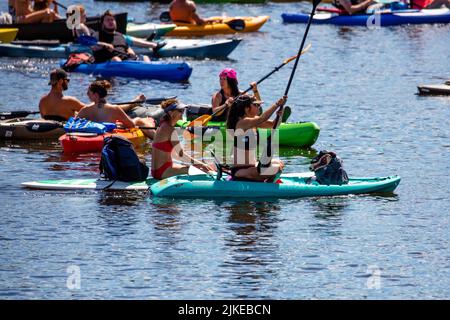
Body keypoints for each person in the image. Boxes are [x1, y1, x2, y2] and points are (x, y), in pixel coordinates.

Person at [226, 94, 287, 182]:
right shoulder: (242, 122)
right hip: (241, 171)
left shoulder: (252, 121)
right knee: (275, 168)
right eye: (256, 105)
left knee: (279, 163)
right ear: (247, 109)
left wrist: (280, 114)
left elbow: (273, 125)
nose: (259, 107)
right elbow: (262, 118)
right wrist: (277, 104)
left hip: (252, 166)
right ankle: (268, 186)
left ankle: (267, 184)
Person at [151, 99, 214, 180]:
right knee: (200, 170)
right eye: (180, 110)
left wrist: (197, 163)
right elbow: (181, 154)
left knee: (194, 166)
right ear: (170, 113)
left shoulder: (163, 124)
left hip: (158, 170)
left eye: (183, 110)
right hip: (162, 171)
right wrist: (201, 164)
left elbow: (179, 155)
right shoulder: (169, 129)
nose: (183, 113)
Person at [76, 80, 156, 139]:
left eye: (88, 93)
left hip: (93, 136)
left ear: (96, 95)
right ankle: (158, 140)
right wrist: (120, 125)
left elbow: (74, 124)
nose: (87, 95)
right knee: (139, 120)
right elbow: (131, 125)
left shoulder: (85, 110)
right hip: (109, 138)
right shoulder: (114, 109)